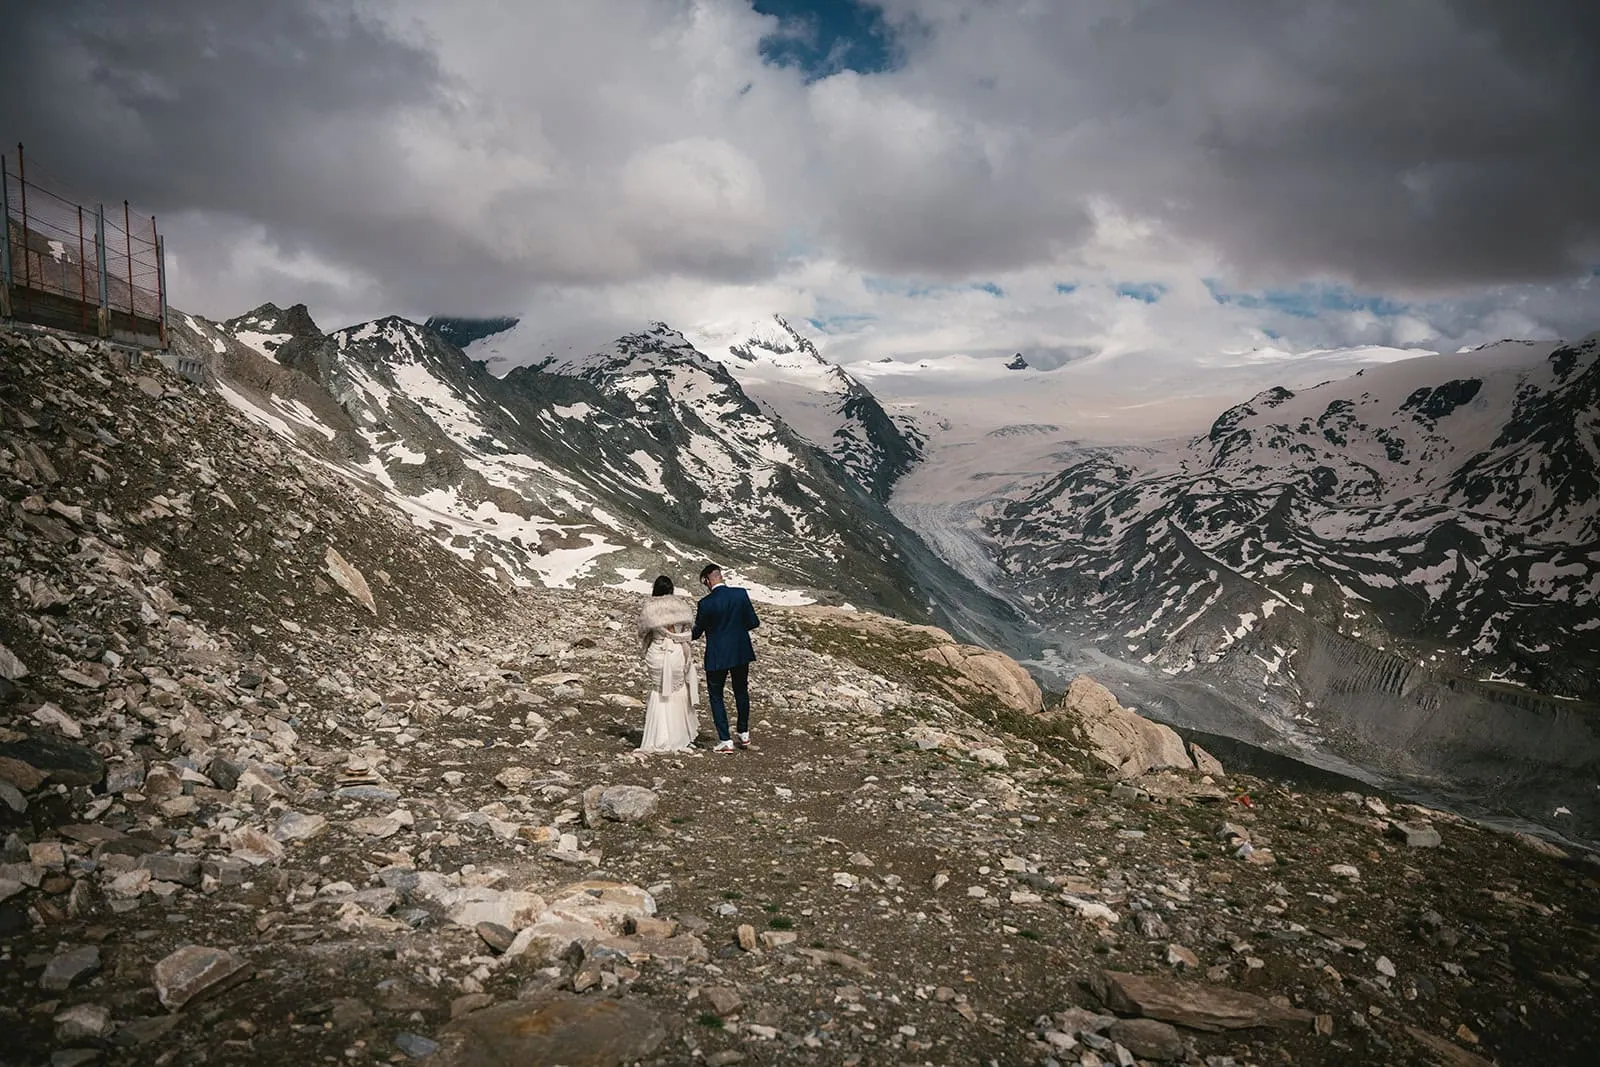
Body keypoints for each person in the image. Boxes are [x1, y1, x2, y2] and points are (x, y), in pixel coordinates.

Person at [692, 563, 759, 753]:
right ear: (720, 576)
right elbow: (753, 622)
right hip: (740, 650)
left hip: (717, 653)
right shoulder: (740, 594)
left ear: (707, 580)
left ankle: (725, 740)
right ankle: (744, 733)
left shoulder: (705, 603)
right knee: (741, 691)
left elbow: (697, 632)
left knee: (716, 695)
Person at [636, 575, 697, 752]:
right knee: (677, 691)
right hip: (677, 651)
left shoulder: (650, 607)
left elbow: (642, 631)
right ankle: (678, 734)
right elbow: (688, 630)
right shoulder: (681, 606)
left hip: (658, 650)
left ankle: (659, 735)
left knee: (659, 692)